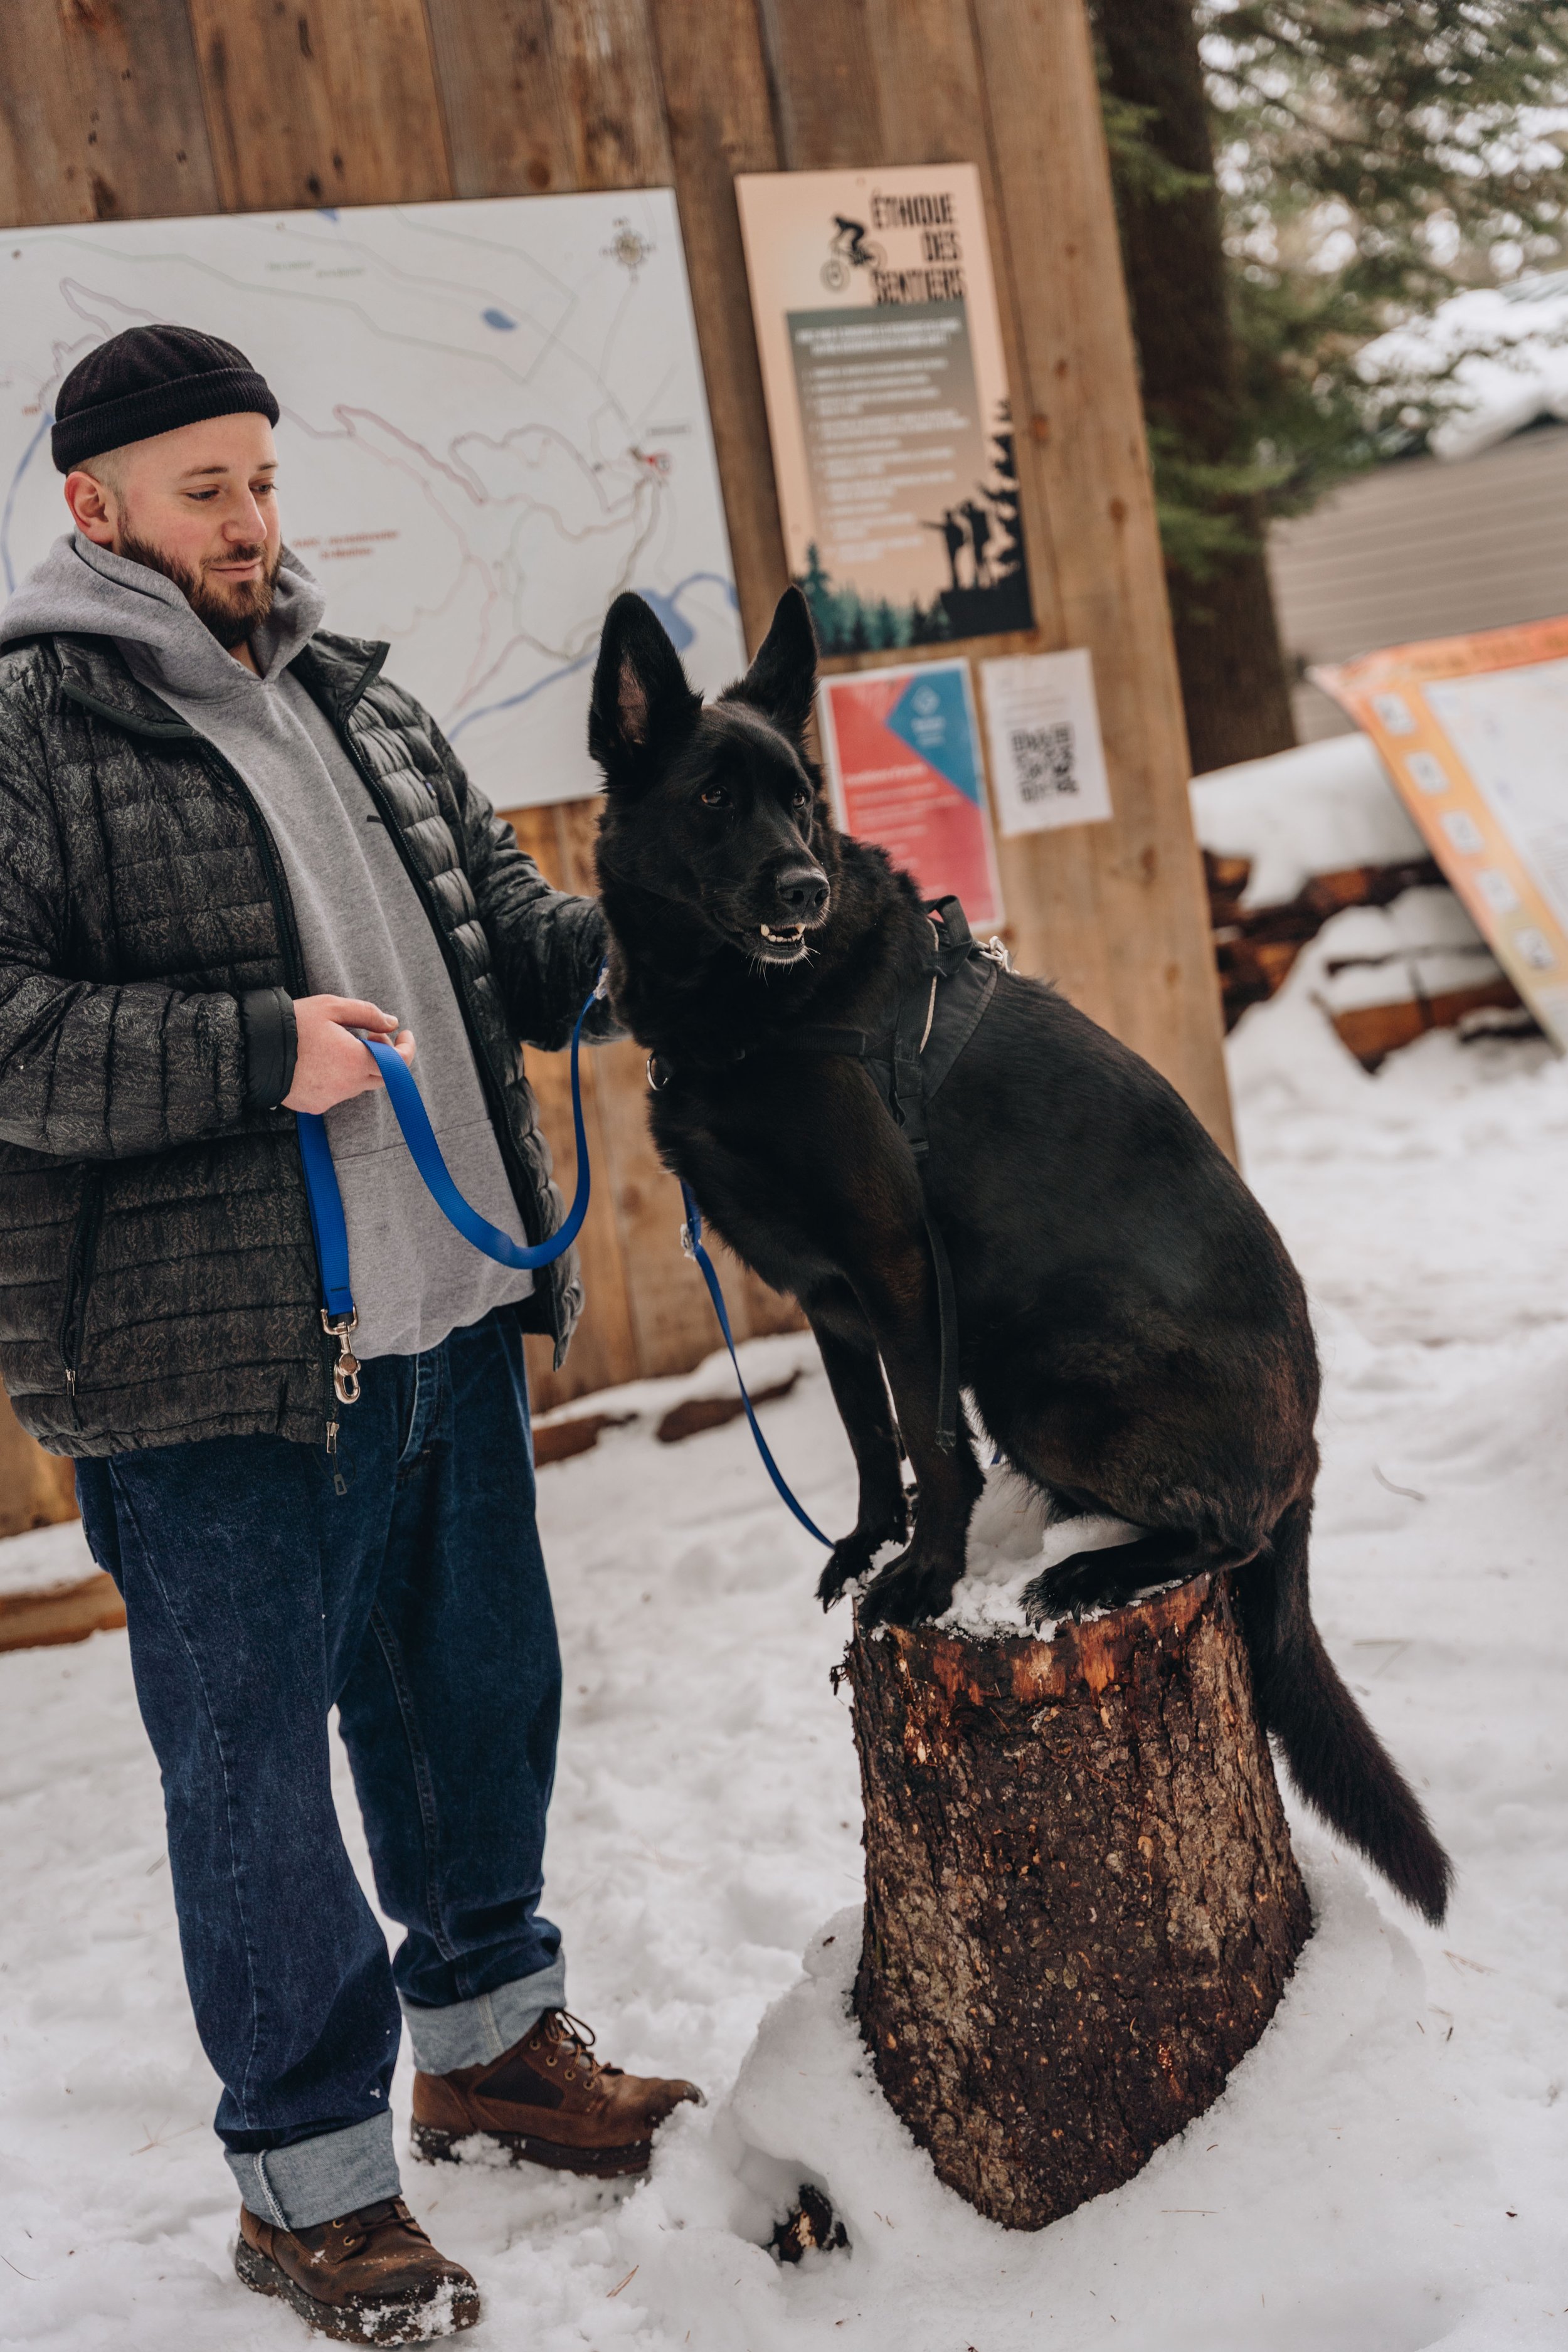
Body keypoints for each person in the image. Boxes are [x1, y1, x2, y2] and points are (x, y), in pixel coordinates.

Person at [0, 325, 699, 2345]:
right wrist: (254, 1053)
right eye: (201, 487)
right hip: (209, 1367)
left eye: (262, 478)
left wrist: (661, 927)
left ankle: (485, 2044)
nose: (247, 519)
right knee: (255, 1782)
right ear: (97, 507)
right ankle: (309, 2190)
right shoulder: (35, 732)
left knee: (478, 1703)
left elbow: (502, 935)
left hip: (443, 1313)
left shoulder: (358, 698)